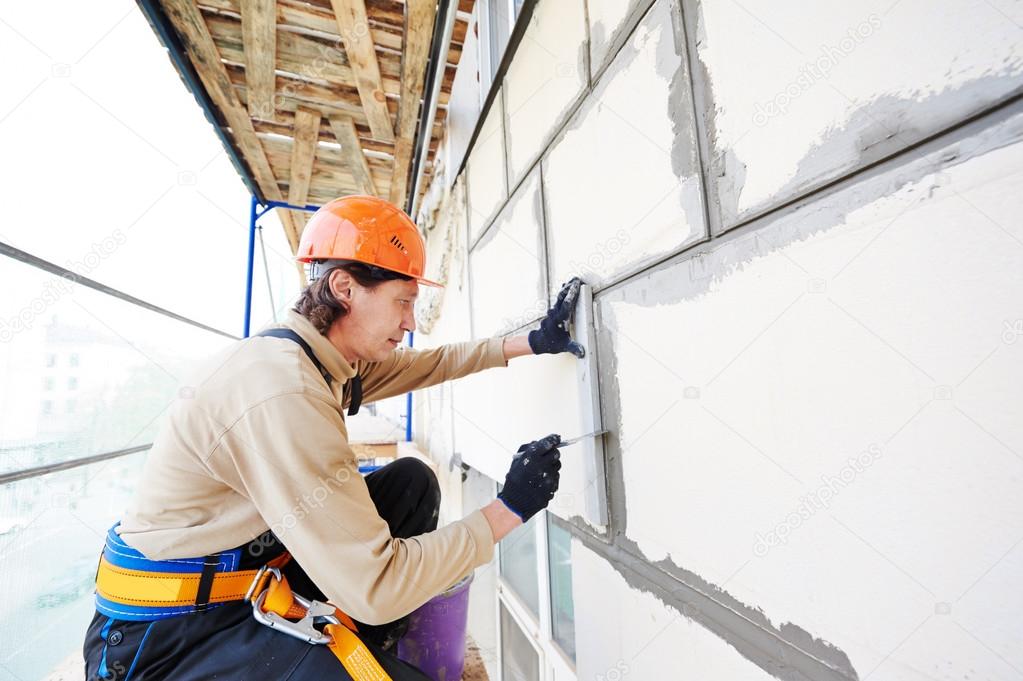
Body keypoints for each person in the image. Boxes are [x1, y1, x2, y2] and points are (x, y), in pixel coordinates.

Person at [82, 195, 585, 680]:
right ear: (345, 288)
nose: (411, 322)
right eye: (403, 302)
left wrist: (532, 341)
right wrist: (511, 507)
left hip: (250, 573)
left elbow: (433, 363)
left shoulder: (320, 360)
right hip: (167, 638)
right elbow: (380, 584)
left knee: (411, 483)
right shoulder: (287, 390)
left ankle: (353, 646)